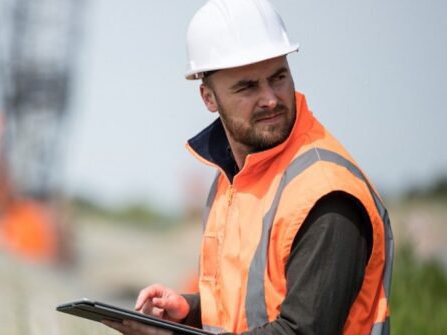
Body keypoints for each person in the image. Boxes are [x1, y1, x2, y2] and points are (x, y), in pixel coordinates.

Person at [103, 0, 393, 334]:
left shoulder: (326, 195)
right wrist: (190, 312)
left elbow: (300, 331)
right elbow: (250, 310)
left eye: (278, 77)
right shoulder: (234, 181)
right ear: (208, 98)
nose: (270, 98)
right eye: (248, 86)